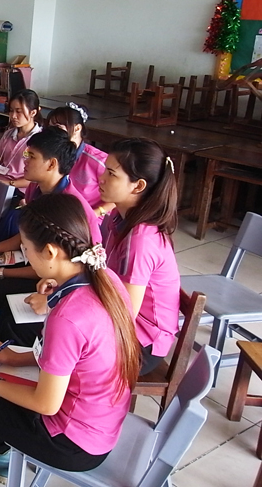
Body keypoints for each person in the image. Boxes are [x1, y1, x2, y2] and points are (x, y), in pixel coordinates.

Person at [0, 194, 140, 486]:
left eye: (26, 248)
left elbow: (46, 404)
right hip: (98, 420)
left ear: (50, 251)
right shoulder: (106, 280)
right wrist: (15, 358)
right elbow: (76, 355)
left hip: (71, 443)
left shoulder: (69, 316)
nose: (25, 255)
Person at [0, 127, 103, 344]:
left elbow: (56, 265)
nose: (24, 160)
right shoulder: (34, 188)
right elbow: (28, 235)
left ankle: (15, 334)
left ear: (51, 164)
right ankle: (7, 323)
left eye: (32, 156)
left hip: (60, 277)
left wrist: (1, 273)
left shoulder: (68, 208)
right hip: (39, 263)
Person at [98, 138, 180, 375]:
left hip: (141, 343)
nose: (101, 178)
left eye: (111, 174)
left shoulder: (141, 240)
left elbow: (125, 314)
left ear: (138, 186)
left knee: (55, 339)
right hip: (121, 323)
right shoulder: (119, 218)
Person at [46, 102, 115, 217]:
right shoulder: (53, 153)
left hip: (88, 219)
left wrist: (96, 213)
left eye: (58, 127)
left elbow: (121, 193)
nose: (53, 132)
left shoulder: (99, 160)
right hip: (61, 214)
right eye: (50, 127)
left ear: (77, 128)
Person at [0, 89, 42, 191]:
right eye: (11, 110)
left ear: (33, 112)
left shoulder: (40, 139)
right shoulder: (9, 134)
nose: (13, 116)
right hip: (0, 183)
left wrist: (10, 184)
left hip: (20, 189)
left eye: (18, 111)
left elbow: (37, 178)